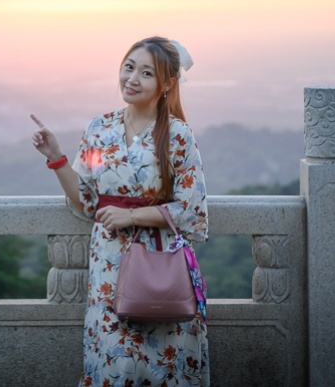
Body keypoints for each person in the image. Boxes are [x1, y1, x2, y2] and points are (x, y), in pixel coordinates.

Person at [31, 36, 209, 386]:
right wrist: (55, 156)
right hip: (108, 262)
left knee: (163, 358)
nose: (132, 79)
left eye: (146, 73)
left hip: (159, 262)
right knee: (112, 355)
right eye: (129, 67)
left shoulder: (177, 135)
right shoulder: (99, 130)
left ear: (167, 83)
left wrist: (131, 216)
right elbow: (86, 201)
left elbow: (190, 208)